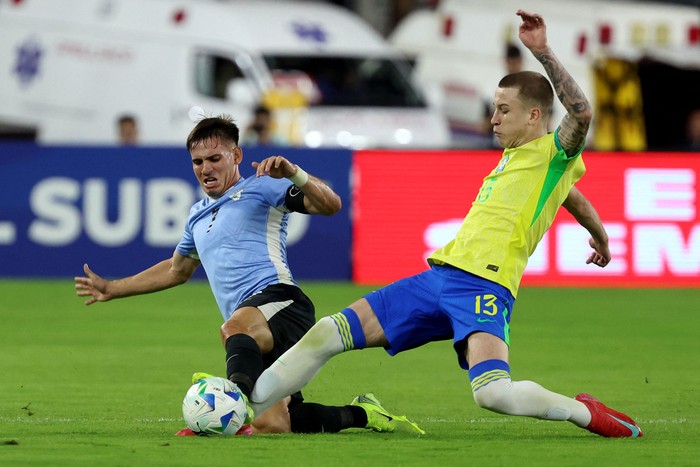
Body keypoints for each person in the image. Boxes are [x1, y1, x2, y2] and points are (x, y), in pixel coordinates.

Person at [247, 10, 643, 439]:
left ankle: (586, 413)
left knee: (492, 394)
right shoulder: (526, 163)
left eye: (503, 110)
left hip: (484, 286)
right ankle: (242, 409)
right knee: (328, 331)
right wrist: (600, 237)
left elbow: (581, 113)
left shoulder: (555, 153)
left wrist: (542, 52)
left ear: (533, 116)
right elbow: (574, 199)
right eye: (493, 109)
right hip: (439, 278)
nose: (492, 119)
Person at [75, 115, 423, 436]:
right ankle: (363, 414)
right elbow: (175, 270)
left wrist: (293, 173)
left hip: (281, 302)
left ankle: (230, 403)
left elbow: (330, 205)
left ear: (236, 155)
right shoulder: (196, 216)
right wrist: (113, 288)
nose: (205, 168)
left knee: (233, 328)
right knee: (274, 423)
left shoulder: (263, 188)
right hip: (254, 330)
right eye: (198, 162)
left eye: (215, 158)